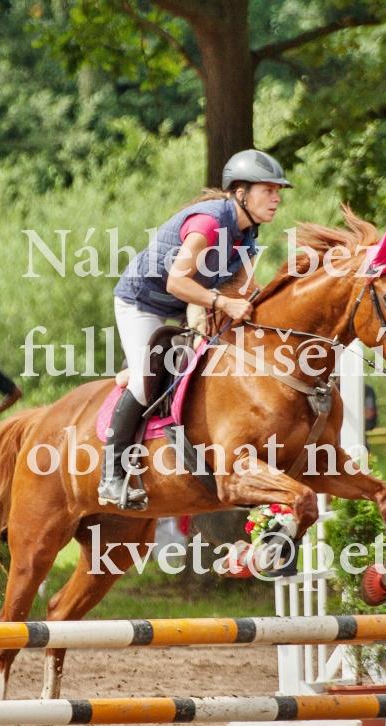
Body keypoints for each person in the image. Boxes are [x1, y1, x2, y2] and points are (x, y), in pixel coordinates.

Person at [101, 148, 290, 508]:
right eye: (268, 190)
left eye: (277, 191)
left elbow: (243, 291)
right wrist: (223, 303)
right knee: (143, 380)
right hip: (142, 302)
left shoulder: (248, 236)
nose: (276, 198)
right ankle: (112, 476)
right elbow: (177, 282)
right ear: (241, 193)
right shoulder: (209, 224)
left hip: (183, 307)